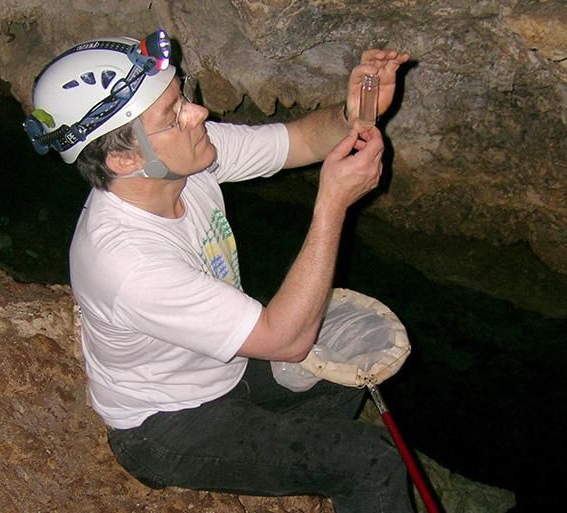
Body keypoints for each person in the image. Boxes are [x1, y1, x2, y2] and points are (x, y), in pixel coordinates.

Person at [24, 28, 413, 513]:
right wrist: (332, 203)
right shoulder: (127, 263)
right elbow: (284, 340)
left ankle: (310, 461)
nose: (198, 113)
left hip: (226, 368)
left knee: (350, 350)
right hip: (168, 423)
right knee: (371, 461)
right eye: (175, 115)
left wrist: (354, 113)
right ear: (126, 158)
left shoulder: (186, 164)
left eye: (181, 96)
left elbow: (296, 141)